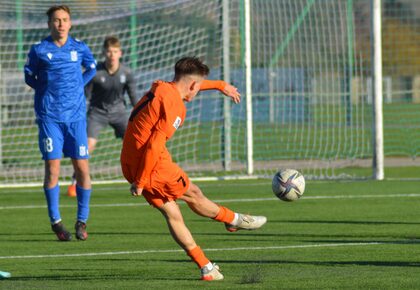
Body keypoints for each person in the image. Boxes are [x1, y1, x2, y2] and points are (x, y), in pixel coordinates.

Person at [120, 57, 267, 281]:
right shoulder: (175, 106)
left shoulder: (162, 86)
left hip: (130, 161)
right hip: (152, 165)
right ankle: (233, 219)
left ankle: (206, 267)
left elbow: (193, 83)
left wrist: (219, 85)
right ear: (191, 85)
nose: (198, 90)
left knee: (173, 213)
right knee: (194, 195)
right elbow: (154, 145)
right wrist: (140, 182)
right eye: (198, 86)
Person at [24, 5, 96, 241]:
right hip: (50, 118)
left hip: (75, 118)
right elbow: (29, 76)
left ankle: (81, 221)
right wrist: (45, 93)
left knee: (82, 169)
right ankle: (56, 222)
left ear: (70, 23)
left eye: (64, 20)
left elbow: (92, 68)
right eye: (56, 20)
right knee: (52, 169)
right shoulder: (39, 50)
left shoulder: (79, 47)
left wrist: (78, 85)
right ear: (49, 24)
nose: (61, 24)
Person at [67, 36, 139, 197]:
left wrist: (143, 114)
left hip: (119, 113)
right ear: (104, 53)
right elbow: (84, 95)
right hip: (97, 113)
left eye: (115, 51)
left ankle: (141, 179)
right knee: (87, 147)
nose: (111, 55)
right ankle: (75, 182)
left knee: (136, 144)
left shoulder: (127, 73)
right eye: (108, 51)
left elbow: (134, 99)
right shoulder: (95, 72)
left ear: (120, 53)